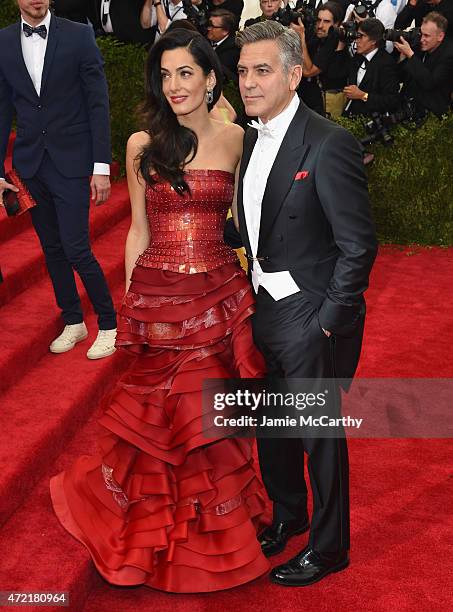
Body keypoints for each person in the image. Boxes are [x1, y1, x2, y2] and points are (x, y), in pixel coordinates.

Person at [50, 28, 270, 592]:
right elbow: (138, 230)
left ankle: (212, 529)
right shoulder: (142, 144)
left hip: (219, 295)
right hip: (161, 297)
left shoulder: (237, 140)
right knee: (164, 422)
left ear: (210, 78)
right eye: (166, 75)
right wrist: (131, 306)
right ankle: (162, 532)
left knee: (210, 416)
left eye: (186, 73)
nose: (174, 86)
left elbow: (248, 222)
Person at [230, 20, 377, 586]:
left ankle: (330, 546)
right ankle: (287, 517)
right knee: (272, 428)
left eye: (262, 71)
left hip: (310, 315)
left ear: (294, 75)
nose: (248, 82)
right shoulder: (249, 137)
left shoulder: (329, 141)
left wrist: (327, 323)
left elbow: (358, 245)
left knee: (319, 437)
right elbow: (260, 223)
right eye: (242, 71)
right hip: (262, 306)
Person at [0, 0, 117, 359]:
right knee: (51, 249)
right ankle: (73, 321)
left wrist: (100, 167)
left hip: (71, 161)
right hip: (31, 163)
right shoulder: (3, 41)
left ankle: (109, 325)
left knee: (77, 247)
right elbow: (3, 108)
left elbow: (98, 103)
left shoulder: (79, 35)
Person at [396, 11, 453, 117]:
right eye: (421, 33)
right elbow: (401, 78)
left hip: (430, 115)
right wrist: (403, 56)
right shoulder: (419, 45)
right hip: (405, 106)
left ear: (440, 36)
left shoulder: (449, 55)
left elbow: (430, 82)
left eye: (427, 36)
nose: (422, 39)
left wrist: (410, 54)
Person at [343, 18, 400, 116]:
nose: (356, 40)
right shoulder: (358, 57)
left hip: (371, 121)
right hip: (351, 115)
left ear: (373, 41)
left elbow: (392, 100)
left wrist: (363, 96)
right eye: (357, 35)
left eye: (361, 36)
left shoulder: (386, 64)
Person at [207, 9, 240, 81]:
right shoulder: (204, 41)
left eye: (213, 26)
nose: (208, 28)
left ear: (225, 31)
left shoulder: (234, 50)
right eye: (208, 25)